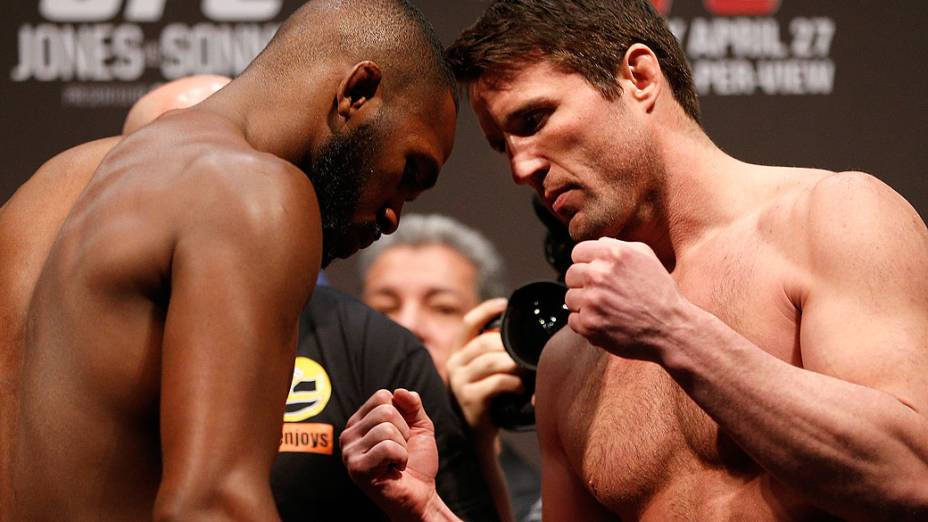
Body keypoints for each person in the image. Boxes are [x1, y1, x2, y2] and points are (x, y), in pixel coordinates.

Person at [343, 0, 928, 520]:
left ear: (639, 77)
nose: (521, 168)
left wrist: (674, 330)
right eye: (503, 145)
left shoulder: (834, 218)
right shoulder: (570, 359)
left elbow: (911, 476)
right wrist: (427, 509)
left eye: (534, 120)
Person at [0, 0, 457, 519]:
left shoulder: (45, 191)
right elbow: (214, 505)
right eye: (410, 172)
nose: (395, 215)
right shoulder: (255, 191)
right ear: (357, 92)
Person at [123, 77, 498, 521]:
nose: (205, 191)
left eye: (225, 162)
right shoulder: (67, 339)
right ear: (119, 182)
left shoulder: (375, 350)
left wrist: (420, 507)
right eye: (173, 163)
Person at [358, 213, 541, 522]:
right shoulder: (314, 473)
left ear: (490, 330)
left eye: (442, 308)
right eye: (385, 308)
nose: (407, 326)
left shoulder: (536, 502)